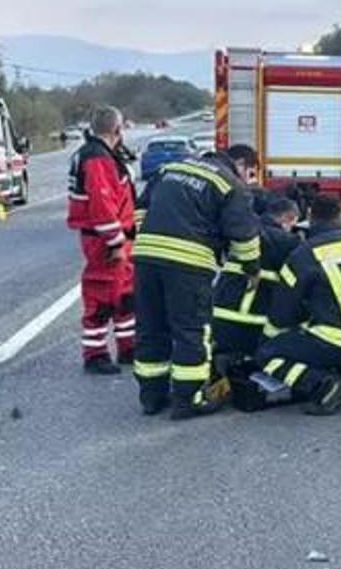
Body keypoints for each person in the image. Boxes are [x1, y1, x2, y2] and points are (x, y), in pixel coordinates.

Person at [132, 144, 262, 419]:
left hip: (146, 257)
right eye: (249, 173)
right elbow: (245, 237)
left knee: (151, 327)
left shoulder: (173, 168)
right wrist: (250, 269)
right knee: (191, 330)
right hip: (188, 263)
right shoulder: (230, 185)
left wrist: (149, 237)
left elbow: (141, 206)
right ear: (240, 164)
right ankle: (189, 398)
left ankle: (151, 396)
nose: (248, 180)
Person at [253, 194, 341, 415]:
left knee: (268, 354)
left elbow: (283, 311)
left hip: (340, 340)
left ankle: (325, 385)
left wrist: (271, 337)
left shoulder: (304, 254)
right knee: (333, 341)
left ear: (310, 217)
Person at [65, 107, 138, 375]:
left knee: (125, 295)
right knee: (102, 296)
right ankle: (95, 354)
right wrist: (115, 242)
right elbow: (102, 205)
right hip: (105, 242)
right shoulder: (97, 159)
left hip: (116, 238)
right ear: (117, 130)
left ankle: (128, 346)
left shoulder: (100, 154)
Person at [210, 196, 302, 369]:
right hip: (254, 320)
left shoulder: (243, 232)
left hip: (221, 314)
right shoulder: (288, 242)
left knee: (227, 359)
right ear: (288, 217)